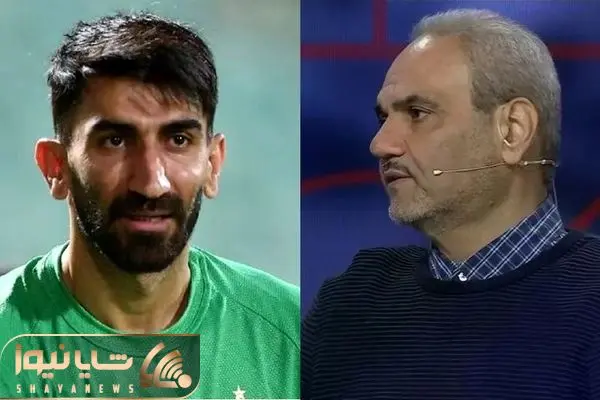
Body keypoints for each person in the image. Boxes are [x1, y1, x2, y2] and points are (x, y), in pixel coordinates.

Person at [302, 9, 600, 400]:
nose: (380, 145)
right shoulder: (350, 300)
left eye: (417, 113)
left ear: (513, 130)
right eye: (383, 118)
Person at [0, 12, 299, 399]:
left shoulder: (296, 337)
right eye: (115, 141)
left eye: (178, 140)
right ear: (55, 167)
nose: (151, 183)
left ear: (213, 163)